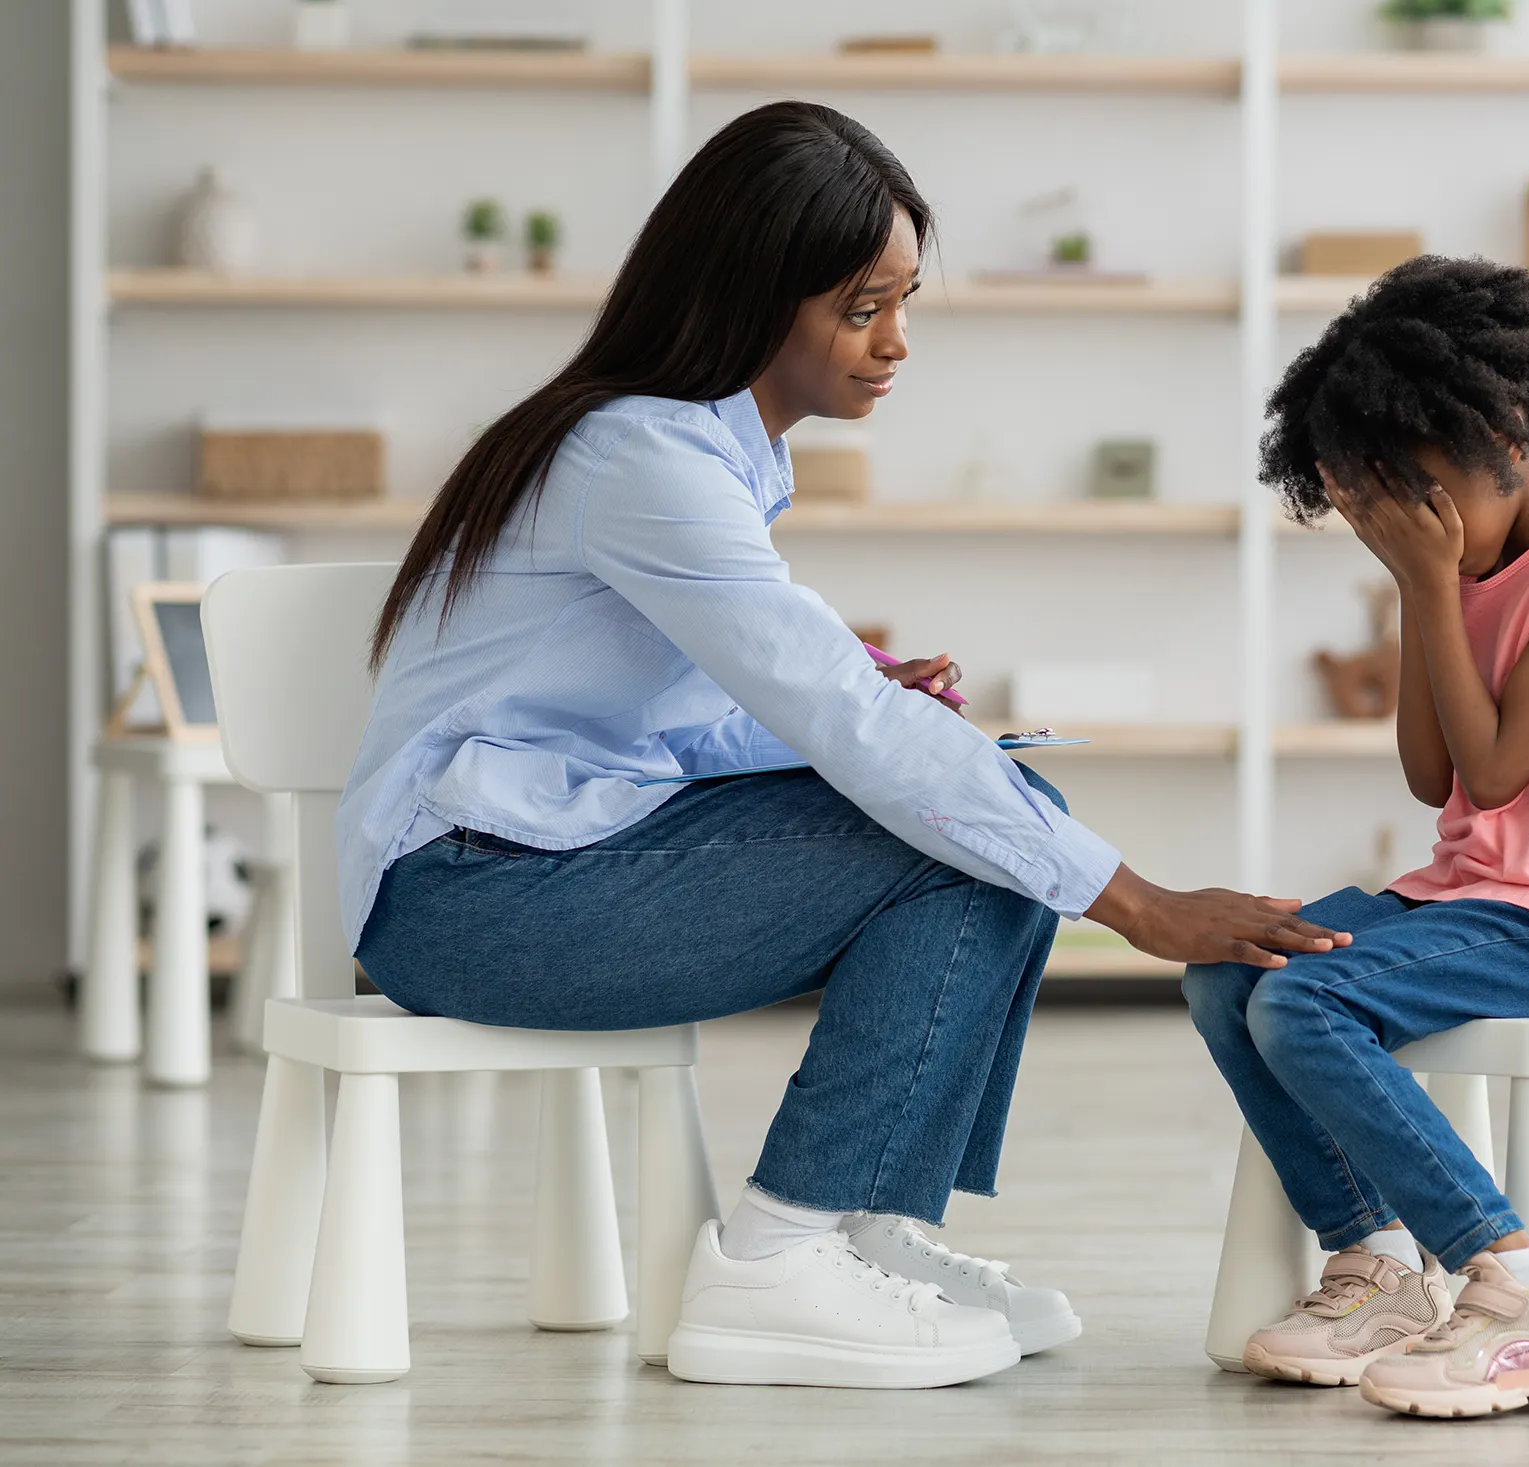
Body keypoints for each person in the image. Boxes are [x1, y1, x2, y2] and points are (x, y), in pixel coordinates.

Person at [343, 101, 1348, 1391]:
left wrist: (858, 699)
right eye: (861, 308)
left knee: (979, 811)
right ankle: (779, 1256)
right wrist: (1139, 905)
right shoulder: (640, 457)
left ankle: (868, 1232)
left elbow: (677, 728)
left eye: (904, 301)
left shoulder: (703, 450)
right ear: (754, 299)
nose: (895, 343)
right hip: (466, 899)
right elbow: (833, 720)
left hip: (534, 858)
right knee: (975, 835)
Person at [1184, 256, 1529, 1419]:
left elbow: (1501, 771)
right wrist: (1432, 589)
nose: (1414, 524)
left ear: (1504, 424)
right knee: (1228, 968)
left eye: (1416, 489)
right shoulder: (1471, 568)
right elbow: (1432, 776)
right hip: (1475, 900)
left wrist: (1424, 589)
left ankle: (1521, 1279)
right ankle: (1378, 1264)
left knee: (1302, 1003)